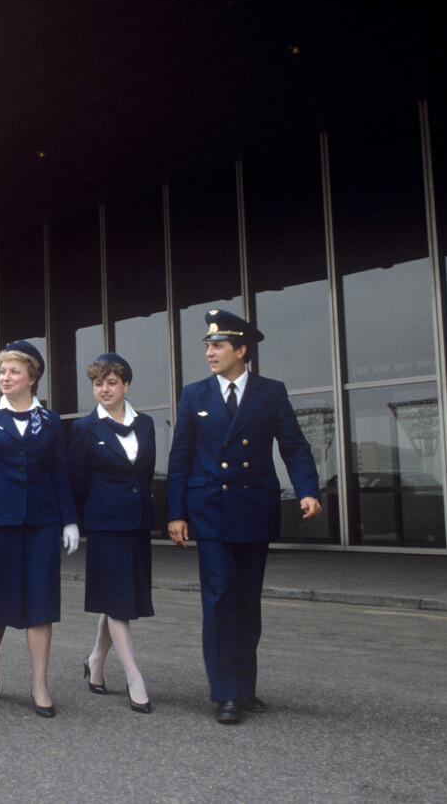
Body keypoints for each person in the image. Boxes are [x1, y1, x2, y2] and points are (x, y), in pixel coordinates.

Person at [167, 309, 321, 724]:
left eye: (218, 346)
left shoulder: (271, 392)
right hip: (209, 510)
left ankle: (245, 687)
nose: (209, 353)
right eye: (208, 346)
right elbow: (179, 458)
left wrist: (307, 490)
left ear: (241, 350)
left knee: (247, 602)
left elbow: (294, 447)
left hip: (254, 508)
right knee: (218, 600)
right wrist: (176, 513)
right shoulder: (194, 395)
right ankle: (226, 693)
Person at [0, 341, 80, 718]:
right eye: (2, 372)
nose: (4, 378)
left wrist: (71, 519)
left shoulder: (51, 421)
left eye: (13, 371)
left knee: (41, 603)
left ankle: (39, 682)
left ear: (32, 376)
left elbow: (61, 474)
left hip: (42, 522)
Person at [66, 353, 156, 714]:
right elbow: (76, 482)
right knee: (119, 601)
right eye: (98, 383)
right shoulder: (84, 429)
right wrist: (75, 522)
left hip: (137, 523)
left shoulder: (146, 424)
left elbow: (145, 475)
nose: (104, 389)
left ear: (126, 385)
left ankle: (96, 661)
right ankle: (134, 675)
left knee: (120, 597)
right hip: (105, 525)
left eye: (112, 382)